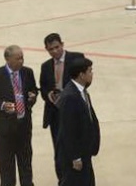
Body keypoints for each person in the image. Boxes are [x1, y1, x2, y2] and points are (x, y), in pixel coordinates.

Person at [0, 44, 38, 186]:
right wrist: (2, 105)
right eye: (18, 59)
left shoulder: (27, 72)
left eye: (22, 58)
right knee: (7, 168)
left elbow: (33, 90)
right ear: (7, 59)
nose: (21, 61)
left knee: (26, 165)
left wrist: (33, 96)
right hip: (4, 130)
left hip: (23, 127)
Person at [39, 33, 83, 182]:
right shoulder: (45, 66)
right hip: (55, 114)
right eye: (50, 49)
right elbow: (43, 88)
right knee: (59, 151)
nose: (54, 51)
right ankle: (62, 180)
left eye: (57, 47)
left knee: (77, 148)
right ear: (46, 49)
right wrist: (49, 95)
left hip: (74, 112)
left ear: (62, 45)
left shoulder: (76, 58)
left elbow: (85, 82)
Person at [55, 56, 100, 186]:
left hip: (84, 151)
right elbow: (68, 130)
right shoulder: (70, 96)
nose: (92, 74)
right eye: (90, 71)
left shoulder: (82, 92)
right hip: (76, 156)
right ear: (81, 75)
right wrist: (75, 157)